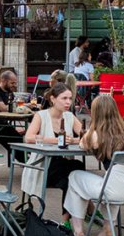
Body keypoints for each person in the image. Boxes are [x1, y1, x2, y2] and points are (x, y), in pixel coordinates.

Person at [65, 96, 124, 236]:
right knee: (110, 180)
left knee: (74, 177)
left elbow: (81, 145)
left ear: (95, 112)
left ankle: (78, 232)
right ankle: (107, 229)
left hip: (115, 191)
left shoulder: (95, 135)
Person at [20, 86, 86, 219]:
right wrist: (56, 140)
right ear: (53, 99)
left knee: (75, 173)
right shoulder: (41, 115)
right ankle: (87, 211)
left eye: (70, 99)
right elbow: (29, 137)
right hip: (42, 167)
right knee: (75, 170)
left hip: (62, 166)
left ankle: (66, 219)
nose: (68, 102)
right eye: (64, 98)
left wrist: (72, 140)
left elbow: (85, 137)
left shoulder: (69, 116)